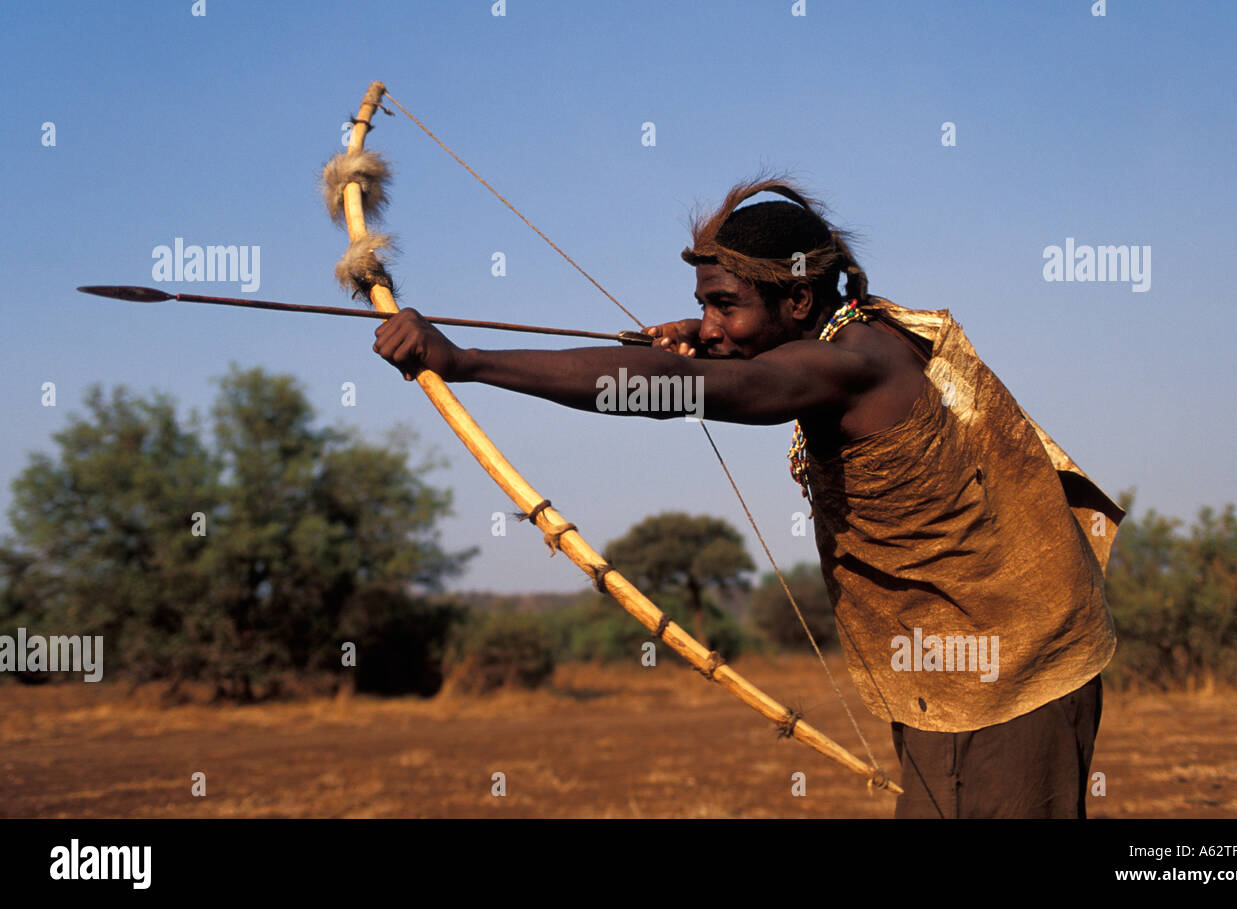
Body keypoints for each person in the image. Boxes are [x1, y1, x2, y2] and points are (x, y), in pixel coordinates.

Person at [372, 177, 1123, 818]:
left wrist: (465, 360)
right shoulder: (849, 332)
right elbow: (717, 365)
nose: (707, 324)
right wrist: (724, 338)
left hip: (1021, 664)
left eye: (725, 304)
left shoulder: (851, 364)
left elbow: (679, 391)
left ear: (797, 298)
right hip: (949, 668)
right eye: (704, 305)